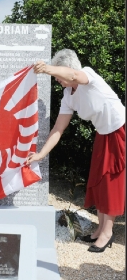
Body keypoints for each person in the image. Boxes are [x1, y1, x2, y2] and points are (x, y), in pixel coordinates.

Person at [26, 49, 125, 253]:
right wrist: (41, 154)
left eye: (58, 77)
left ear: (67, 70)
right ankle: (100, 229)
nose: (58, 81)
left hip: (119, 130)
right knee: (98, 180)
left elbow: (72, 75)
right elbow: (58, 129)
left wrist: (46, 69)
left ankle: (107, 233)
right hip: (103, 132)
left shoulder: (87, 75)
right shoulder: (67, 95)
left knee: (111, 181)